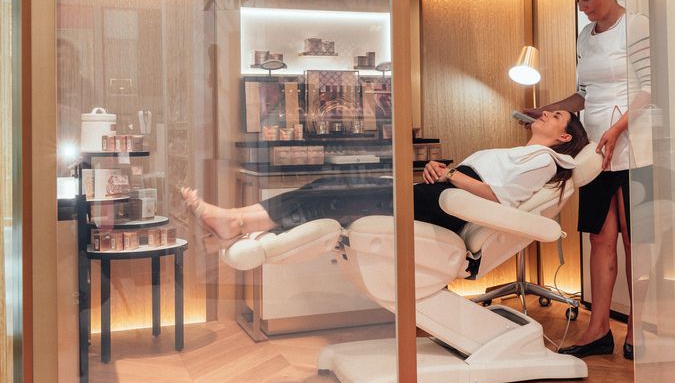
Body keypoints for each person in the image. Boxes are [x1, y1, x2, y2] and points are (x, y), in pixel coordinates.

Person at [183, 110, 589, 250]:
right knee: (329, 189)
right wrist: (441, 172)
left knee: (338, 195)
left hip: (446, 208)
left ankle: (237, 222)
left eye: (555, 117)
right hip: (440, 195)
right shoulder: (524, 153)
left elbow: (498, 199)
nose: (545, 114)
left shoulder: (546, 161)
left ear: (564, 137)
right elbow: (473, 179)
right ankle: (239, 221)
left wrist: (450, 176)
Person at [524, 0, 651, 360]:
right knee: (600, 238)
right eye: (578, 1)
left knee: (634, 241)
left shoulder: (636, 26)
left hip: (633, 147)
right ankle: (598, 330)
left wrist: (618, 129)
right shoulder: (585, 35)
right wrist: (546, 109)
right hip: (595, 150)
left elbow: (650, 88)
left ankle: (638, 331)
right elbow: (584, 95)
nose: (583, 7)